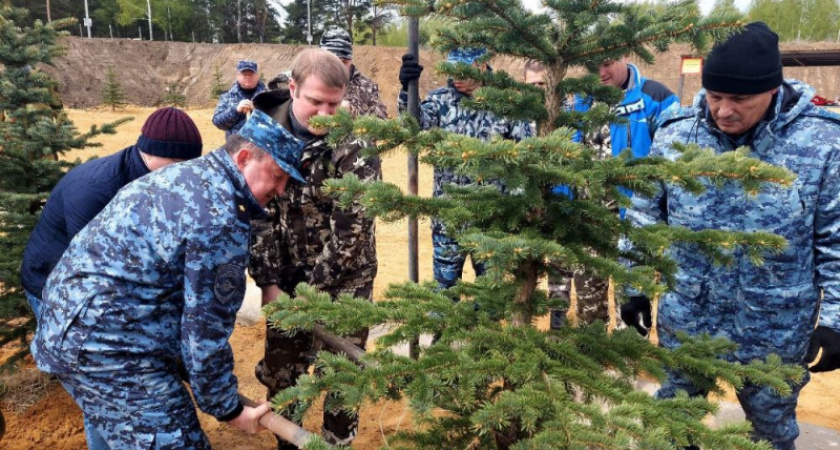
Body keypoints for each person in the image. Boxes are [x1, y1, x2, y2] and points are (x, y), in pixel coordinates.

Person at [31, 110, 306, 450]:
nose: (280, 191)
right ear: (245, 158)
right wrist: (229, 408)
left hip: (72, 327)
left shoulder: (188, 174)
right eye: (277, 177)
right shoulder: (219, 219)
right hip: (108, 348)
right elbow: (204, 334)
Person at [624, 22, 840, 450]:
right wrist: (633, 287)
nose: (723, 110)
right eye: (716, 96)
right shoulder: (676, 134)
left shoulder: (823, 142)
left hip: (775, 325)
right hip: (688, 316)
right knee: (671, 424)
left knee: (771, 432)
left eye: (740, 99)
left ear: (772, 90)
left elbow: (835, 241)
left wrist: (836, 322)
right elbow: (643, 217)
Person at [249, 48, 381, 449]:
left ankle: (336, 442)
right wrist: (269, 281)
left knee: (341, 377)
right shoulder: (265, 132)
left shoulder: (355, 143)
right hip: (286, 277)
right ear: (292, 88)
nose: (326, 113)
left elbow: (352, 231)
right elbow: (255, 210)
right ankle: (288, 442)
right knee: (283, 374)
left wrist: (313, 295)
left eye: (334, 104)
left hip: (345, 280)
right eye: (315, 101)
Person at [22, 107, 203, 320]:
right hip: (55, 282)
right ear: (150, 152)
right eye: (178, 165)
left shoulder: (162, 178)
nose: (185, 173)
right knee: (78, 350)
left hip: (112, 282)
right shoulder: (94, 189)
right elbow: (92, 263)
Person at [549, 54, 679, 328]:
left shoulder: (656, 98)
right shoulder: (580, 102)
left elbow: (675, 158)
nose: (600, 72)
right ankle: (591, 354)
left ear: (625, 55)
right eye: (593, 65)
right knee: (589, 304)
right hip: (588, 223)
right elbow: (564, 155)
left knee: (632, 305)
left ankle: (630, 362)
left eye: (607, 63)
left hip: (635, 222)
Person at [398, 48, 532, 289]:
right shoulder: (439, 101)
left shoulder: (506, 103)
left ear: (482, 66)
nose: (455, 77)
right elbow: (412, 126)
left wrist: (517, 211)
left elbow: (525, 157)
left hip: (493, 222)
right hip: (449, 220)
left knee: (491, 297)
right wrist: (407, 90)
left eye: (462, 70)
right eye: (451, 70)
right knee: (445, 295)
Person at [268, 27, 388, 120]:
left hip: (348, 150)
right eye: (330, 61)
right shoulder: (299, 78)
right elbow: (272, 105)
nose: (337, 68)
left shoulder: (366, 86)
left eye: (343, 62)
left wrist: (352, 113)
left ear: (351, 60)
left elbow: (379, 123)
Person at [212, 60, 266, 137]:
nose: (248, 77)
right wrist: (236, 110)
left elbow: (277, 123)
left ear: (257, 76)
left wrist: (257, 111)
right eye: (244, 74)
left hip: (262, 145)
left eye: (251, 74)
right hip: (235, 146)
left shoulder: (268, 96)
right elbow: (218, 123)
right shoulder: (227, 96)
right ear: (238, 76)